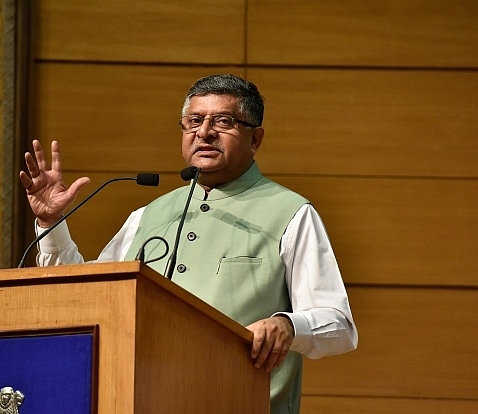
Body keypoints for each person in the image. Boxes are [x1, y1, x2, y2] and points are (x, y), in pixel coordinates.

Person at [19, 74, 358, 414]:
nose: (204, 132)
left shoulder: (291, 213)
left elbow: (339, 325)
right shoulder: (149, 214)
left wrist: (287, 324)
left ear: (255, 139)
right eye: (194, 121)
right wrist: (51, 223)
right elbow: (86, 294)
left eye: (223, 121)